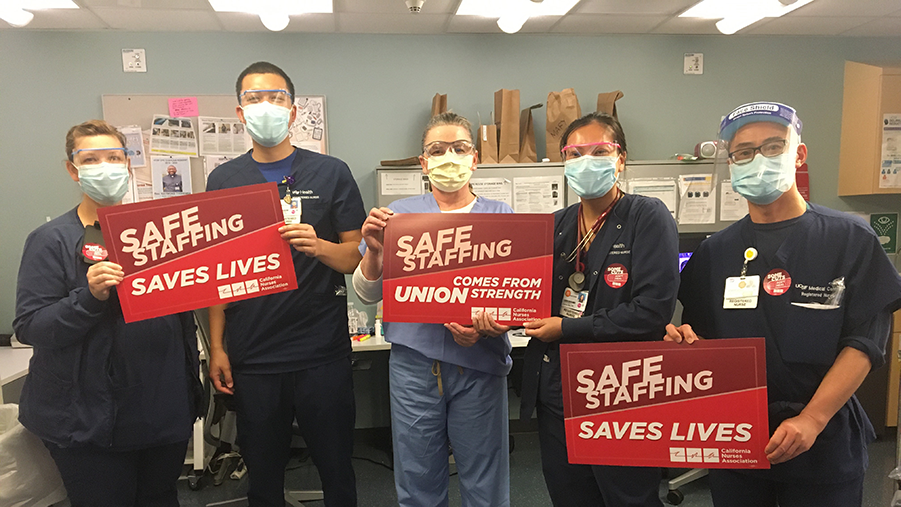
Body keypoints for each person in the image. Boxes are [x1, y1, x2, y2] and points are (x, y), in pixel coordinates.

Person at [666, 101, 901, 507]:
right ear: (732, 163)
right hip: (736, 435)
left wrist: (813, 418)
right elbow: (702, 335)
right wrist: (685, 343)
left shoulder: (849, 240)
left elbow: (866, 342)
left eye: (773, 146)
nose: (758, 159)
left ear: (799, 154)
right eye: (744, 152)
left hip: (822, 440)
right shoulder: (715, 253)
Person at [14, 119, 201, 507]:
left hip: (162, 411)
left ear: (129, 163)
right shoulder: (52, 241)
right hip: (88, 422)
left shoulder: (160, 235)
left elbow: (181, 320)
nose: (106, 166)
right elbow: (31, 326)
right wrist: (89, 297)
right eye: (91, 158)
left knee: (161, 499)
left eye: (115, 157)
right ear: (72, 169)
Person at [206, 61, 364, 507]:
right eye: (254, 98)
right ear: (240, 113)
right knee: (263, 479)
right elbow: (217, 275)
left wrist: (318, 247)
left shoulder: (332, 173)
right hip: (253, 355)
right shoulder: (223, 181)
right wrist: (218, 347)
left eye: (275, 98)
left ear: (293, 111)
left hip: (321, 352)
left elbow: (357, 258)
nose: (265, 107)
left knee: (337, 471)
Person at [353, 112, 513, 506]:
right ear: (423, 163)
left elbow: (517, 297)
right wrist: (374, 250)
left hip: (479, 364)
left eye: (459, 148)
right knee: (418, 479)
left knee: (485, 481)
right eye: (437, 150)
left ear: (474, 159)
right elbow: (366, 293)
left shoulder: (503, 218)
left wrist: (490, 326)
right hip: (415, 367)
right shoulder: (400, 217)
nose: (449, 157)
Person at [519, 112, 679, 506]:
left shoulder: (647, 215)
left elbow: (652, 312)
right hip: (557, 388)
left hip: (620, 389)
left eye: (600, 151)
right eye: (575, 153)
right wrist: (492, 315)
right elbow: (526, 297)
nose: (586, 161)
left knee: (629, 497)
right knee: (570, 495)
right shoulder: (554, 226)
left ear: (620, 158)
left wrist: (567, 329)